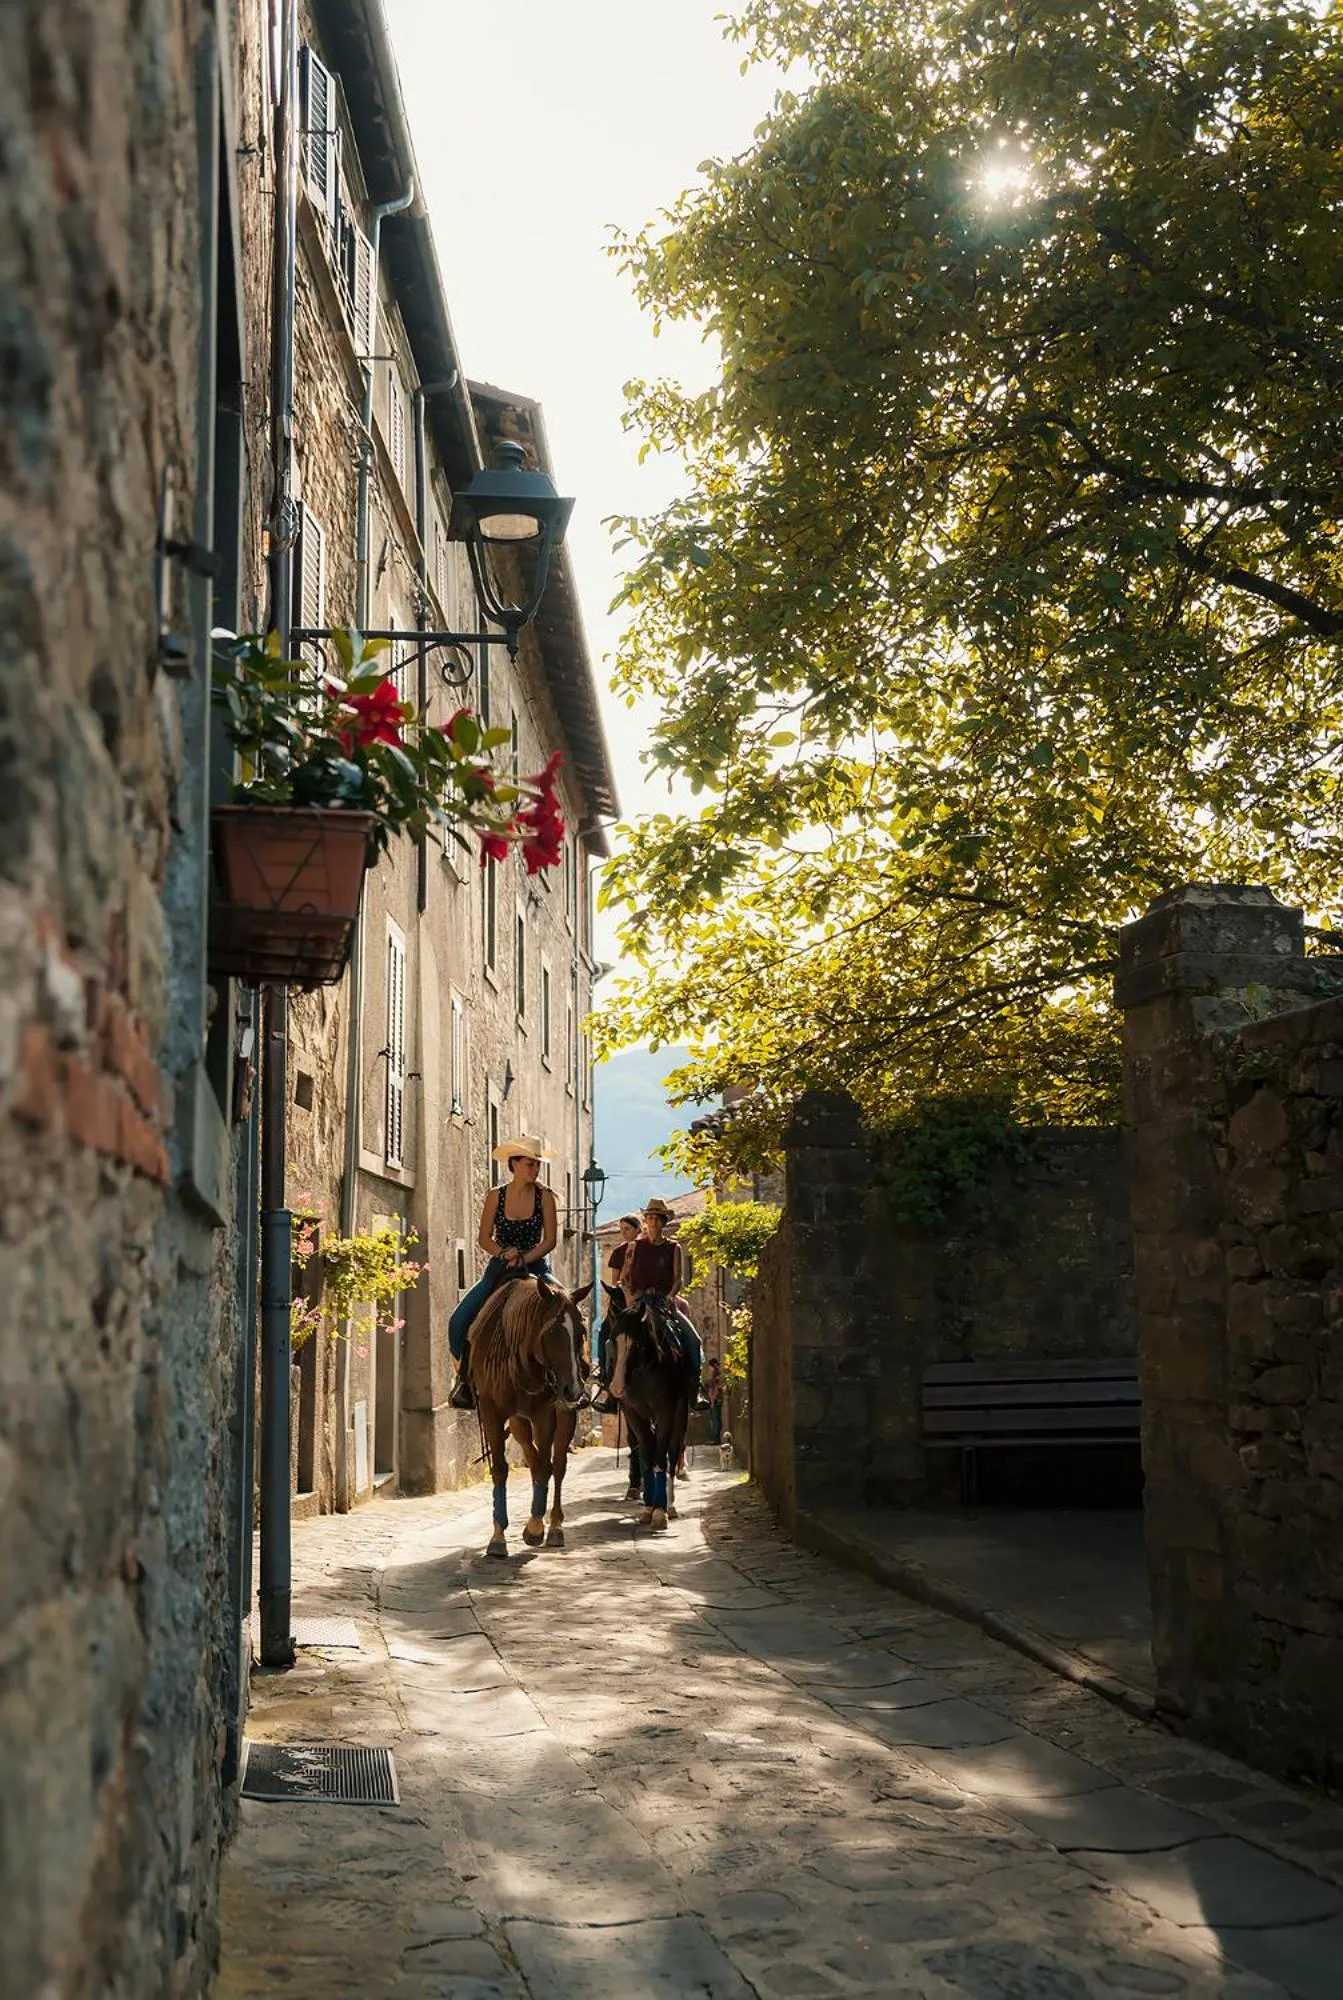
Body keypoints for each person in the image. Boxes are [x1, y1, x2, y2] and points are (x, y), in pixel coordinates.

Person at [448, 1136, 558, 1409]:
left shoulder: (545, 1196)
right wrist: (502, 1253)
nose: (535, 1170)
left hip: (535, 1266)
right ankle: (465, 1380)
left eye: (537, 1164)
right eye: (530, 1164)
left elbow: (550, 1241)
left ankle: (572, 1379)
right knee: (458, 1321)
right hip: (499, 1268)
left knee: (569, 1309)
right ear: (515, 1164)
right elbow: (483, 1238)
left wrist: (524, 1257)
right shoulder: (495, 1195)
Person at [610, 1198, 705, 1403]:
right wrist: (630, 1299)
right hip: (638, 1303)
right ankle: (608, 1385)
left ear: (664, 1222)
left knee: (693, 1340)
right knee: (612, 1338)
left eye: (657, 1218)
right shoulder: (633, 1247)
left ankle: (695, 1389)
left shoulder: (674, 1247)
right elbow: (624, 1279)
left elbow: (678, 1278)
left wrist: (670, 1297)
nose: (653, 1222)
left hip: (663, 1303)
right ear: (645, 1221)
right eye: (650, 1217)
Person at [705, 1357, 724, 1446]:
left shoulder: (715, 1374)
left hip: (716, 1399)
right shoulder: (716, 1374)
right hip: (716, 1399)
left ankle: (716, 1439)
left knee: (715, 1419)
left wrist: (713, 1399)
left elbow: (716, 1388)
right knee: (715, 1419)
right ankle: (716, 1438)